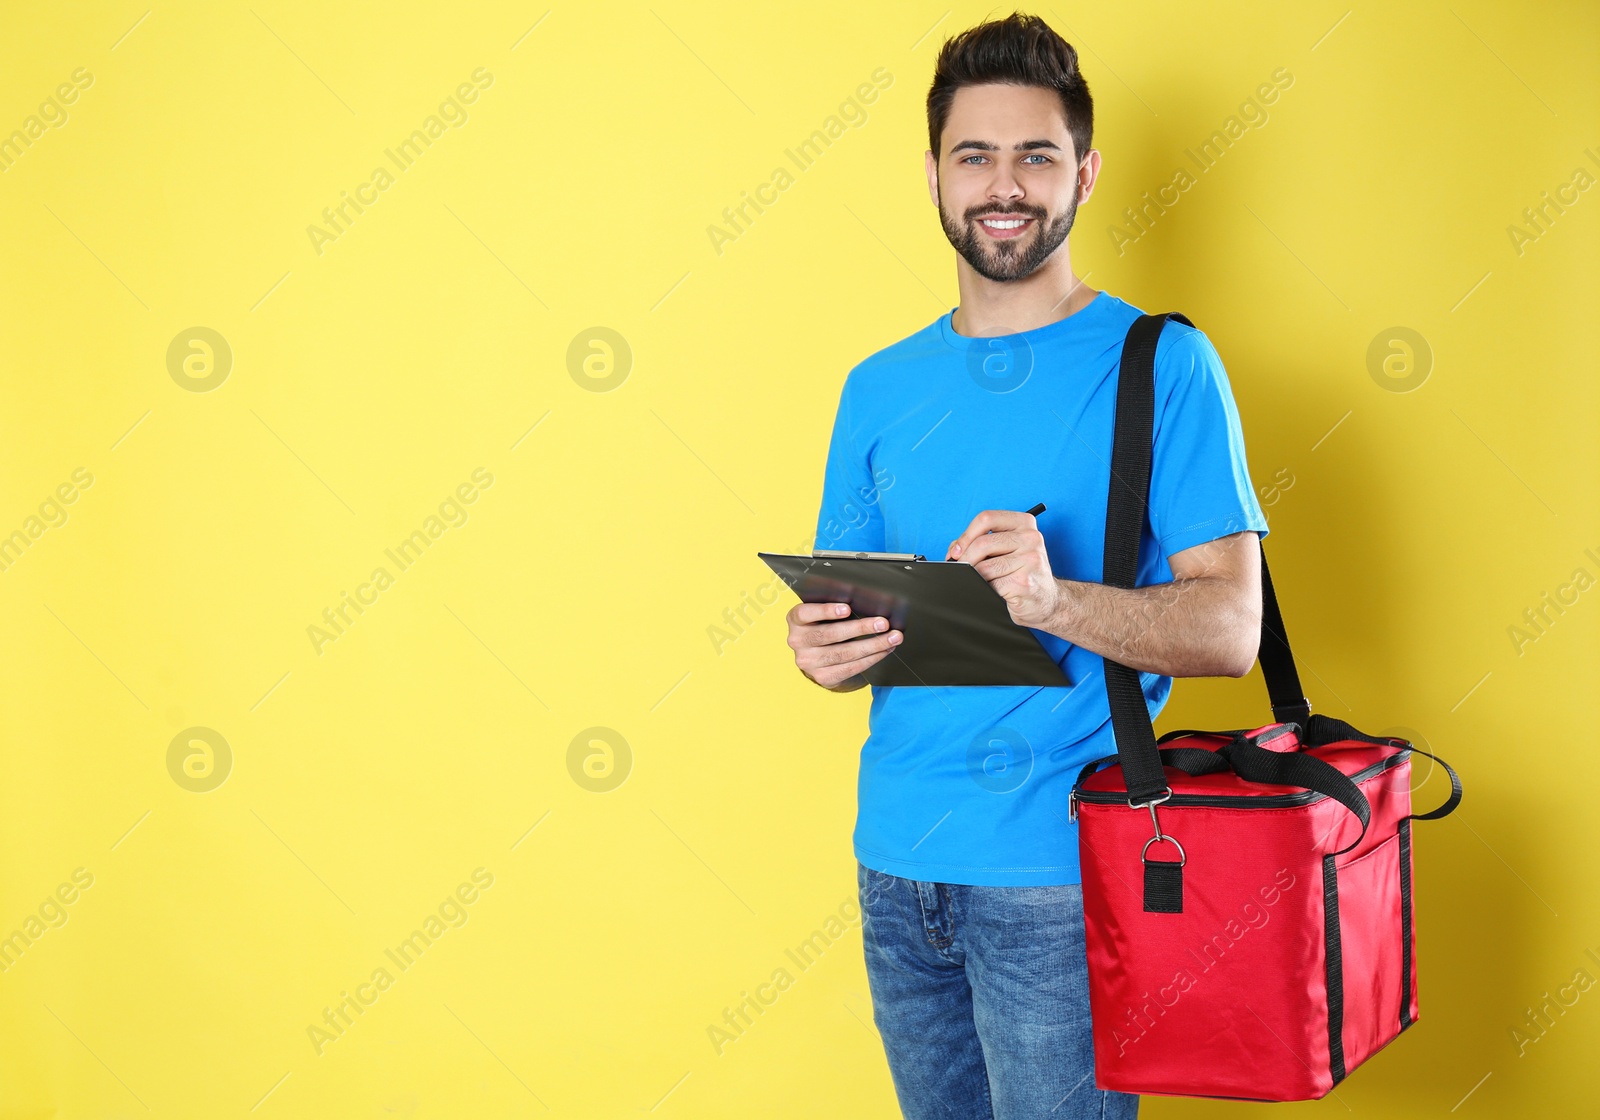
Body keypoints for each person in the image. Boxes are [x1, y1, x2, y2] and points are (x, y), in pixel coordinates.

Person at [784, 12, 1270, 1120]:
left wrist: (1054, 597)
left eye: (1035, 155)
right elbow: (866, 617)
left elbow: (1229, 633)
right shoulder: (877, 387)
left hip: (1061, 878)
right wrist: (824, 648)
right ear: (932, 175)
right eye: (975, 154)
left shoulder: (1164, 364)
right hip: (895, 865)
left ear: (1084, 174)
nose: (1004, 184)